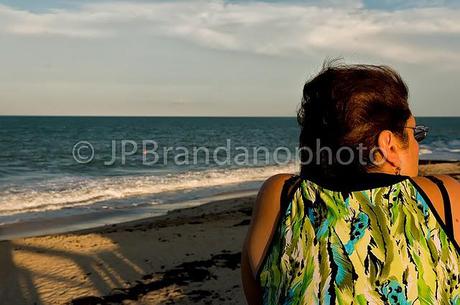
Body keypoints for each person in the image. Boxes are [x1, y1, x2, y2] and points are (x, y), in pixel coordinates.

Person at [241, 61, 460, 305]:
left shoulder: (280, 196)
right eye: (415, 133)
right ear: (387, 145)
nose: (418, 144)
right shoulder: (444, 196)